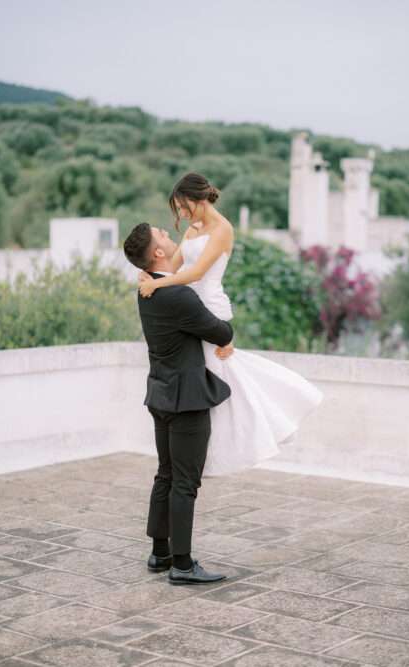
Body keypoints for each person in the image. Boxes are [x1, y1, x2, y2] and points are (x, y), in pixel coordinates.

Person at [138, 172, 323, 476]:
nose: (182, 215)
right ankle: (202, 453)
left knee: (218, 380)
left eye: (184, 208)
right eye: (178, 211)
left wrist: (160, 286)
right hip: (186, 307)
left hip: (207, 306)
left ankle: (234, 444)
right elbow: (173, 266)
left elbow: (196, 273)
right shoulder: (193, 229)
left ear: (198, 199)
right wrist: (151, 276)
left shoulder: (222, 229)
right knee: (202, 378)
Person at [123, 222, 234, 585]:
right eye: (164, 236)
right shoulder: (178, 295)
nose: (170, 239)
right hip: (186, 399)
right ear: (157, 253)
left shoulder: (146, 290)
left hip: (159, 394)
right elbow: (222, 332)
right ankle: (183, 565)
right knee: (185, 481)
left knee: (166, 473)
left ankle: (160, 553)